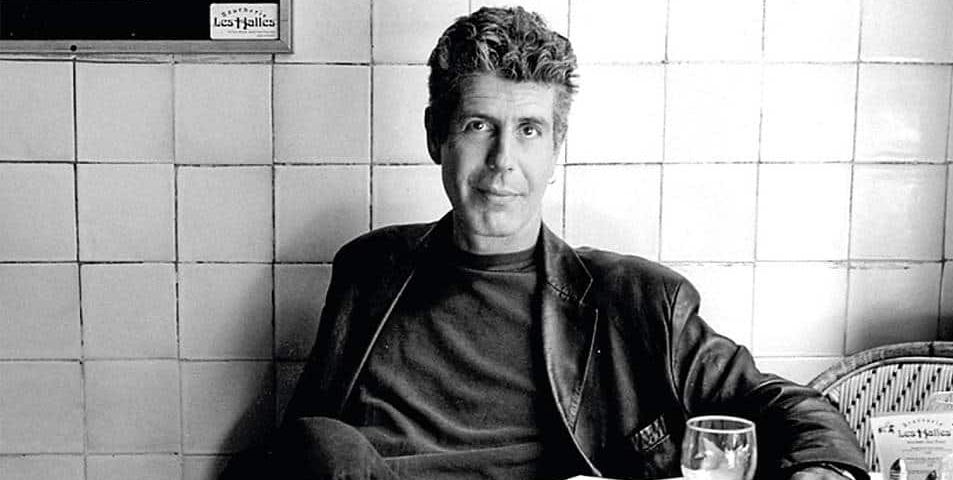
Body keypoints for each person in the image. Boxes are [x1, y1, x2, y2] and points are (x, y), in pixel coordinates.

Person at [224, 6, 868, 480]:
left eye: (529, 130)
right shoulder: (370, 272)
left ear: (556, 149)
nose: (504, 160)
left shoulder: (638, 302)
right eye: (480, 125)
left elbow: (783, 404)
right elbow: (301, 446)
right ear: (435, 136)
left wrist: (825, 473)